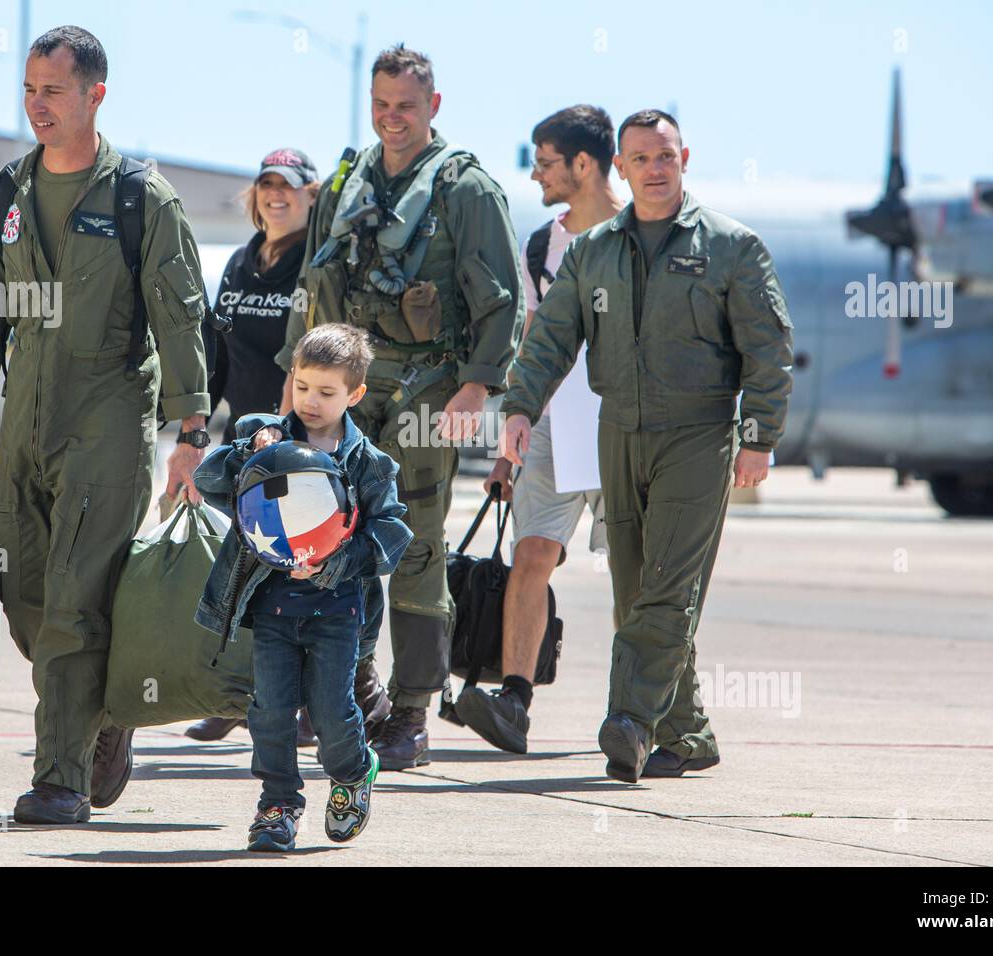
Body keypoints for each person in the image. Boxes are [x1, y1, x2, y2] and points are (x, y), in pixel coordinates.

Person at [0, 25, 212, 824]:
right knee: (24, 600)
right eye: (29, 89)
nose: (36, 105)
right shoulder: (5, 197)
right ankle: (108, 712)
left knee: (76, 604)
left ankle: (60, 778)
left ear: (96, 95)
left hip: (109, 417)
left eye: (53, 90)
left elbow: (183, 320)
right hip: (26, 419)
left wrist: (190, 435)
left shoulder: (141, 199)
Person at [499, 109, 794, 783]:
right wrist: (520, 407)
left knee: (667, 587)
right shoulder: (593, 249)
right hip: (618, 430)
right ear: (621, 168)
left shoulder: (732, 246)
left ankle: (629, 719)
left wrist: (760, 438)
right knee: (634, 591)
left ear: (684, 158)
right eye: (641, 159)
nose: (654, 169)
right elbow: (550, 338)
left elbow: (768, 350)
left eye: (665, 156)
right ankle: (686, 733)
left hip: (699, 433)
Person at [277, 44, 524, 771]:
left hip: (424, 393)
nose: (392, 119)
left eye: (406, 107)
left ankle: (413, 712)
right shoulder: (350, 176)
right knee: (324, 539)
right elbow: (312, 284)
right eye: (382, 105)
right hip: (346, 390)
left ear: (434, 107)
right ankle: (355, 690)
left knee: (414, 546)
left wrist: (477, 387)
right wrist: (298, 378)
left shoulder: (465, 188)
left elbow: (501, 300)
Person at [193, 325, 414, 851]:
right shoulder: (263, 436)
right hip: (271, 607)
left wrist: (340, 561)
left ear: (355, 395)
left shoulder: (371, 465)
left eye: (327, 392)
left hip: (337, 612)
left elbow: (392, 532)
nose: (311, 401)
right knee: (269, 711)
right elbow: (209, 483)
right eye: (304, 386)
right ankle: (277, 804)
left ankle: (353, 772)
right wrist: (250, 448)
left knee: (333, 713)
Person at [458, 105, 624, 754]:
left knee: (634, 575)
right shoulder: (540, 245)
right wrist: (509, 440)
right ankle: (513, 701)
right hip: (555, 424)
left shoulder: (646, 234)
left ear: (583, 164)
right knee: (531, 555)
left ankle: (642, 710)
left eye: (545, 162)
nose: (535, 176)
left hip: (625, 426)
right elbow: (532, 342)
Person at [184, 147, 323, 745]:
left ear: (311, 195)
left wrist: (292, 436)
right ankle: (239, 695)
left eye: (288, 186)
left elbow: (315, 356)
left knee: (306, 577)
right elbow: (216, 355)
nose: (275, 194)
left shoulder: (314, 267)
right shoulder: (241, 264)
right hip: (244, 442)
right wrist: (194, 434)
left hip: (296, 446)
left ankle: (321, 705)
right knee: (244, 573)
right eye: (266, 184)